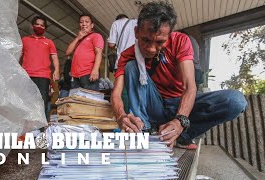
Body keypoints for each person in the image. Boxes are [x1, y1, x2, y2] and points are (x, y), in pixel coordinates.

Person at [111, 1, 247, 149]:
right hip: (156, 106)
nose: (150, 48)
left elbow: (190, 86)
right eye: (145, 40)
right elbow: (116, 94)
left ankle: (182, 136)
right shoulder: (127, 55)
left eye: (159, 42)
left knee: (235, 101)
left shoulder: (180, 41)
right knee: (131, 66)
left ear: (169, 36)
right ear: (136, 32)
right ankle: (145, 130)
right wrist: (121, 116)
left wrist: (180, 120)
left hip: (180, 104)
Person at [20, 16, 60, 119]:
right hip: (26, 75)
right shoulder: (24, 40)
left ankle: (41, 129)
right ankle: (26, 128)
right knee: (26, 101)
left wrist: (57, 70)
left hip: (43, 76)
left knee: (42, 102)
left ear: (45, 28)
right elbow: (19, 55)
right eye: (37, 24)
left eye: (42, 25)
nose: (39, 26)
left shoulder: (49, 42)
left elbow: (54, 57)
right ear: (32, 26)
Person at [66, 14, 104, 91]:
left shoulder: (96, 36)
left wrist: (95, 69)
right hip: (75, 76)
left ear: (92, 25)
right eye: (81, 22)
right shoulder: (78, 40)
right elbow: (68, 52)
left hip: (88, 74)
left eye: (87, 22)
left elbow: (99, 53)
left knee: (88, 100)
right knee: (76, 102)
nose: (84, 24)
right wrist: (78, 38)